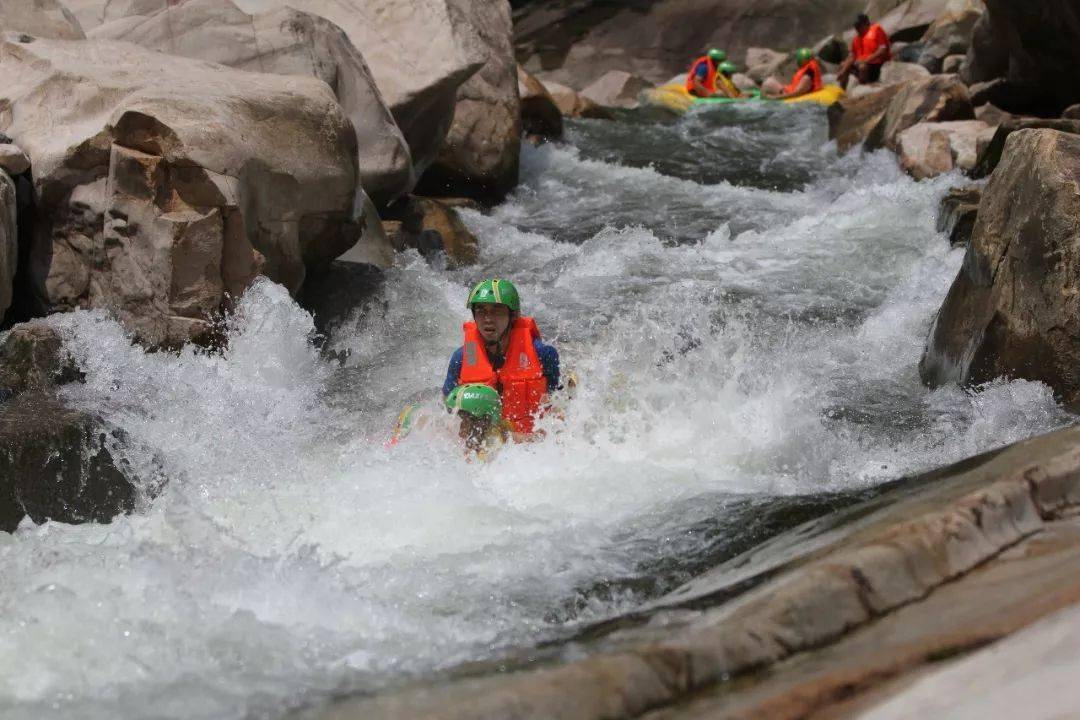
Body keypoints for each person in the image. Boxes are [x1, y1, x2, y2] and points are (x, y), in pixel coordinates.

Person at [442, 279, 560, 437]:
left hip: (529, 439)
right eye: (481, 311)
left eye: (496, 311)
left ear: (513, 315)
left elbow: (560, 404)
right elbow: (447, 409)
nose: (488, 318)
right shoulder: (462, 358)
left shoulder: (542, 355)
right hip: (485, 436)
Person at [444, 383, 510, 458]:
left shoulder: (487, 451)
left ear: (479, 422)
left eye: (461, 419)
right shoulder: (497, 429)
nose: (458, 428)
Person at [837, 14, 891, 90]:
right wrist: (843, 71)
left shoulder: (876, 30)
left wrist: (866, 60)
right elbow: (852, 56)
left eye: (859, 26)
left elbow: (882, 49)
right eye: (856, 26)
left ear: (866, 23)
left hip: (877, 66)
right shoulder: (856, 39)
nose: (857, 29)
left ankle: (862, 89)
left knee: (863, 67)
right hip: (861, 65)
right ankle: (841, 92)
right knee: (843, 65)